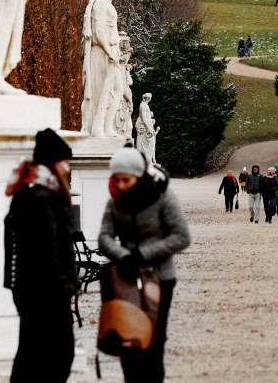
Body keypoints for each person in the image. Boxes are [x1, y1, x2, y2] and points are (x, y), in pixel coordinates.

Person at [99, 146, 190, 382]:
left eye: (125, 180)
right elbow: (104, 237)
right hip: (126, 276)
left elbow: (181, 236)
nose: (119, 185)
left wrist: (142, 254)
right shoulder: (115, 200)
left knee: (152, 342)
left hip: (159, 277)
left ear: (139, 177)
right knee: (127, 338)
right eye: (116, 179)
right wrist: (124, 256)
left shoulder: (162, 196)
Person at [3, 128, 77, 383]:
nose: (68, 168)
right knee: (54, 358)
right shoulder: (41, 197)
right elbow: (49, 250)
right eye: (65, 162)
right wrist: (65, 286)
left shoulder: (28, 192)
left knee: (33, 356)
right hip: (46, 293)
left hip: (34, 292)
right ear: (53, 163)